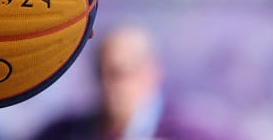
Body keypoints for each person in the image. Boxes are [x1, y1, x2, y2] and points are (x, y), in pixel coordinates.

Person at [29, 25, 235, 140]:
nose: (107, 85)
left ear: (150, 74)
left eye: (119, 73)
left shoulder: (190, 133)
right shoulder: (64, 131)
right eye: (100, 73)